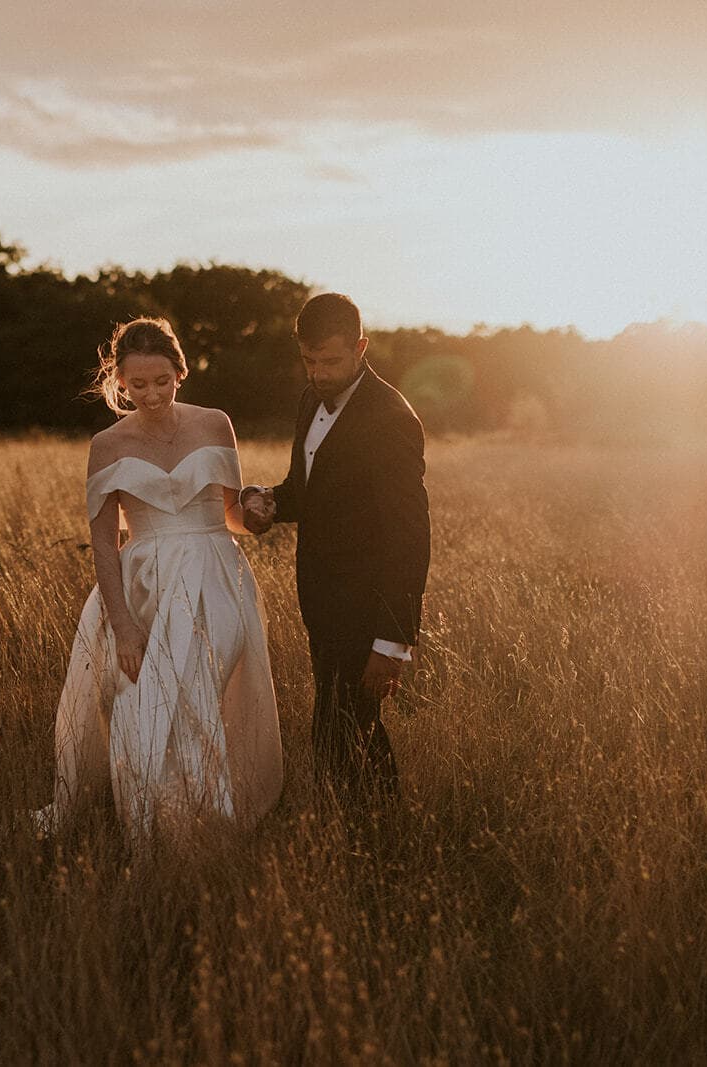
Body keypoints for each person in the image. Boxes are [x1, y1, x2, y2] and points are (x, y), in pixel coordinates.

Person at [36, 317, 283, 843]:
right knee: (138, 705)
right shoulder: (107, 444)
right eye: (137, 384)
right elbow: (105, 542)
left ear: (180, 372)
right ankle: (156, 831)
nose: (150, 394)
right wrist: (123, 626)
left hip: (217, 576)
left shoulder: (216, 423)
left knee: (197, 697)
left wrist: (257, 513)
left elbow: (232, 514)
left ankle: (206, 826)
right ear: (119, 382)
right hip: (142, 584)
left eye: (161, 381)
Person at [242, 293, 431, 811]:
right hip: (321, 603)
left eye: (330, 361)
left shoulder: (391, 417)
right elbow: (308, 490)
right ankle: (369, 841)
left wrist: (392, 641)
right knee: (343, 730)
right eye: (309, 360)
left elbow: (409, 535)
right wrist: (269, 502)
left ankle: (374, 847)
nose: (319, 373)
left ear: (360, 347)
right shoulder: (310, 400)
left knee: (343, 735)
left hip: (368, 610)